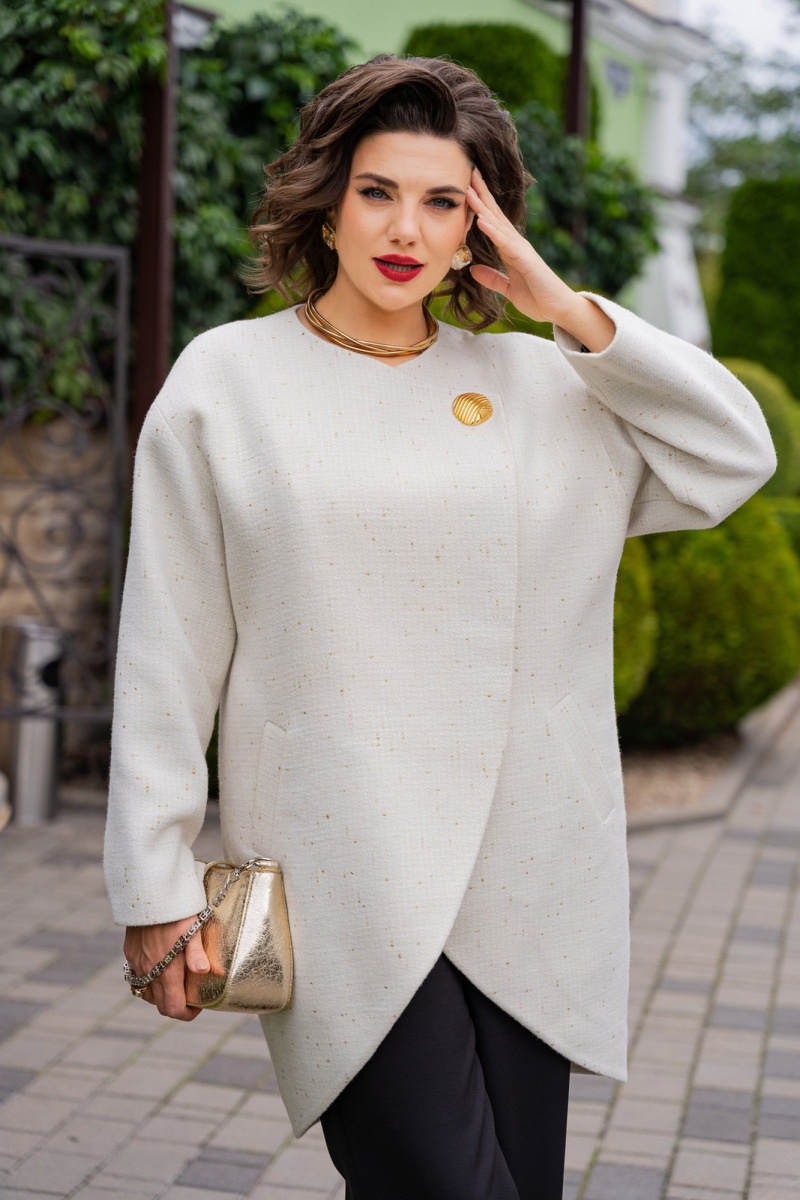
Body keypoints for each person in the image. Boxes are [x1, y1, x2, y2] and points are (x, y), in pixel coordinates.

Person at [103, 53, 777, 1199]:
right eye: (376, 191)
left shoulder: (545, 387)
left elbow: (731, 453)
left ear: (481, 224)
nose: (403, 229)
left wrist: (562, 309)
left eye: (442, 200)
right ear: (326, 201)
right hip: (342, 867)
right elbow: (169, 649)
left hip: (528, 868)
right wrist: (154, 882)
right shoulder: (227, 382)